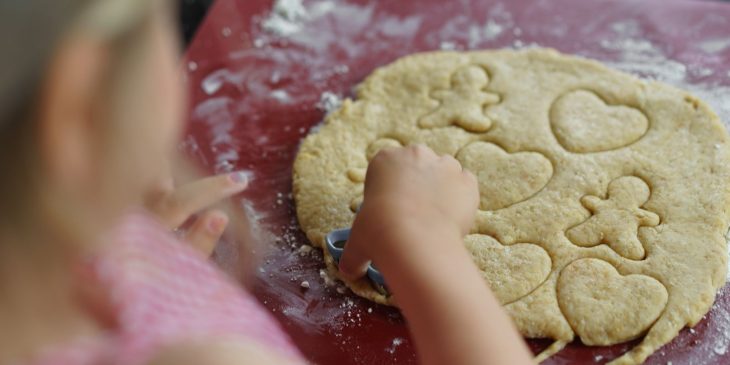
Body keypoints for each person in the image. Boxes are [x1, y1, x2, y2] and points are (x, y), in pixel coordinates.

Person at [0, 1, 533, 364]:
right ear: (78, 105)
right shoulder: (203, 359)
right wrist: (424, 236)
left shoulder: (59, 260)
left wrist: (110, 237)